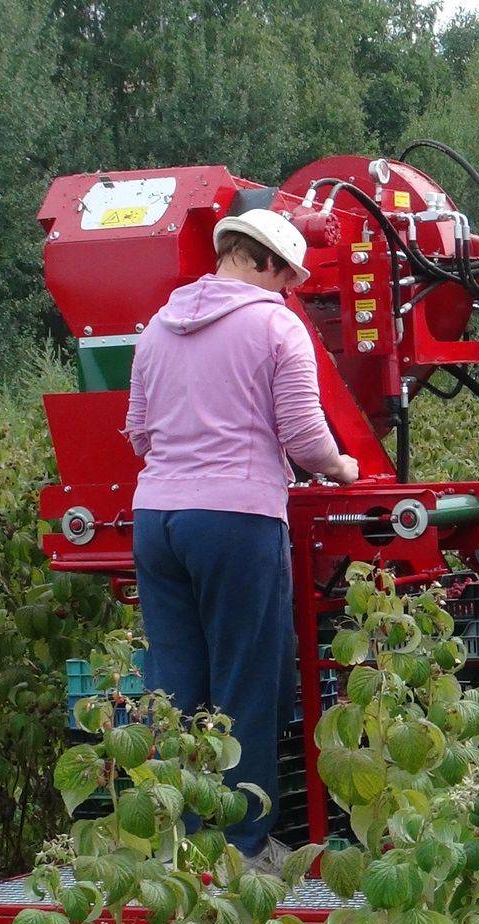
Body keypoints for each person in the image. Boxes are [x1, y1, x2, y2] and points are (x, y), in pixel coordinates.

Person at [122, 209, 358, 867]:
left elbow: (138, 432)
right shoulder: (274, 324)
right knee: (244, 684)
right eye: (286, 278)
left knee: (174, 683)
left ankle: (178, 843)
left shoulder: (158, 329)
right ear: (266, 264)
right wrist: (341, 468)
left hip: (157, 521)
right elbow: (306, 439)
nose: (287, 292)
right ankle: (243, 848)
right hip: (236, 520)